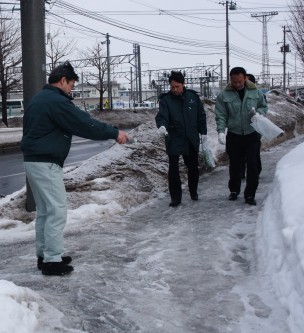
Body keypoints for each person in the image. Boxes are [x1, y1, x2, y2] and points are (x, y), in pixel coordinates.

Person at [21, 61, 129, 276]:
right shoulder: (56, 101)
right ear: (63, 81)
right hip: (46, 162)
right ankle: (52, 260)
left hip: (34, 160)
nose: (72, 89)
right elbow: (84, 123)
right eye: (71, 85)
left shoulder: (39, 99)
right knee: (57, 210)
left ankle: (45, 255)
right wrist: (114, 132)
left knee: (45, 210)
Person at [215, 67, 268, 205]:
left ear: (245, 78)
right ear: (230, 80)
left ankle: (250, 194)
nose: (237, 84)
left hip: (251, 134)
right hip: (234, 135)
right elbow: (221, 114)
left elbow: (263, 106)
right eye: (234, 82)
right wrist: (221, 130)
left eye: (239, 81)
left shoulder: (255, 92)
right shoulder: (224, 95)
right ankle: (234, 190)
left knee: (252, 165)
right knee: (235, 165)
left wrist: (259, 114)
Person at [155, 70, 207, 207]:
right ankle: (175, 197)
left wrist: (204, 133)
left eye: (177, 86)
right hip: (174, 137)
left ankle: (193, 191)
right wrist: (162, 126)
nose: (175, 89)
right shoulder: (165, 100)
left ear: (183, 84)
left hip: (191, 137)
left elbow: (201, 116)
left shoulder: (192, 97)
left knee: (193, 167)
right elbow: (162, 116)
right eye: (172, 87)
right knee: (173, 169)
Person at [240, 73, 263, 179]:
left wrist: (257, 114)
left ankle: (256, 171)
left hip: (255, 130)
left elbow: (263, 108)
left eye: (247, 80)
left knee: (254, 154)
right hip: (240, 130)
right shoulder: (238, 93)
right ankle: (241, 173)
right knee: (241, 154)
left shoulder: (257, 94)